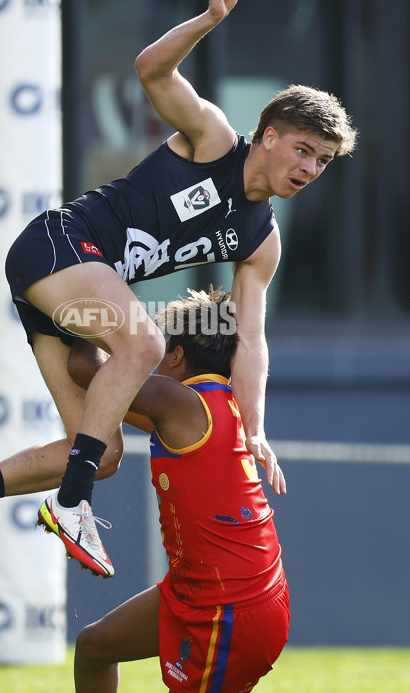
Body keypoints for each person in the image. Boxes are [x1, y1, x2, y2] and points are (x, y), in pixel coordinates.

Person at [0, 0, 356, 579]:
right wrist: (211, 19)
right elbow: (150, 70)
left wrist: (256, 430)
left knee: (101, 449)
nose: (310, 168)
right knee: (143, 342)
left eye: (322, 162)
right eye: (303, 150)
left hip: (64, 299)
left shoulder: (262, 242)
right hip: (56, 248)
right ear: (268, 136)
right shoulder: (215, 139)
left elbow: (251, 341)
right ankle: (72, 504)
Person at [69, 287, 290, 693]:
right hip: (235, 592)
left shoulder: (177, 401)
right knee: (95, 646)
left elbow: (83, 367)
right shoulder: (219, 405)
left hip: (225, 604)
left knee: (95, 649)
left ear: (176, 356)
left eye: (159, 347)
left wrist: (86, 291)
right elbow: (103, 388)